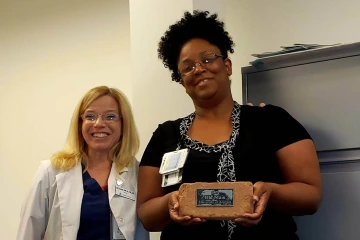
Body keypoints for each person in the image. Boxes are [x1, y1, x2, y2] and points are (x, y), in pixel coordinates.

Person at [137, 11, 322, 240]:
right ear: (182, 81)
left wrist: (271, 192)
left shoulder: (272, 120)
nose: (199, 69)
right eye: (187, 67)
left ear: (227, 65)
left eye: (207, 59)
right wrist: (171, 201)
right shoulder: (165, 135)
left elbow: (311, 195)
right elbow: (146, 215)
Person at [17, 86, 149, 240]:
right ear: (80, 123)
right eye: (90, 116)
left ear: (123, 123)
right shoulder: (50, 172)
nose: (99, 123)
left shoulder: (137, 173)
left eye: (110, 116)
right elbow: (28, 233)